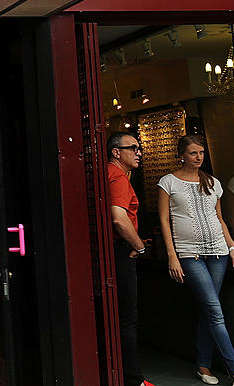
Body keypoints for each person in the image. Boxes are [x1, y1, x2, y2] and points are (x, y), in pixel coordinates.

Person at [157, 135, 234, 386]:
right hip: (189, 254)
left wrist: (233, 247)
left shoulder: (212, 182)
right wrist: (172, 256)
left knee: (210, 310)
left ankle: (204, 366)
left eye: (202, 153)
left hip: (218, 252)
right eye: (194, 153)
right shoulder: (168, 182)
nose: (199, 157)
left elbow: (220, 219)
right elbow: (164, 220)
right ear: (182, 155)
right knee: (215, 312)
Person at [107, 132, 159, 386]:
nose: (139, 152)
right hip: (120, 251)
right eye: (133, 148)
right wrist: (140, 247)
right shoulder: (117, 176)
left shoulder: (109, 173)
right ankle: (133, 380)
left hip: (114, 250)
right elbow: (118, 217)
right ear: (116, 152)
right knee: (127, 317)